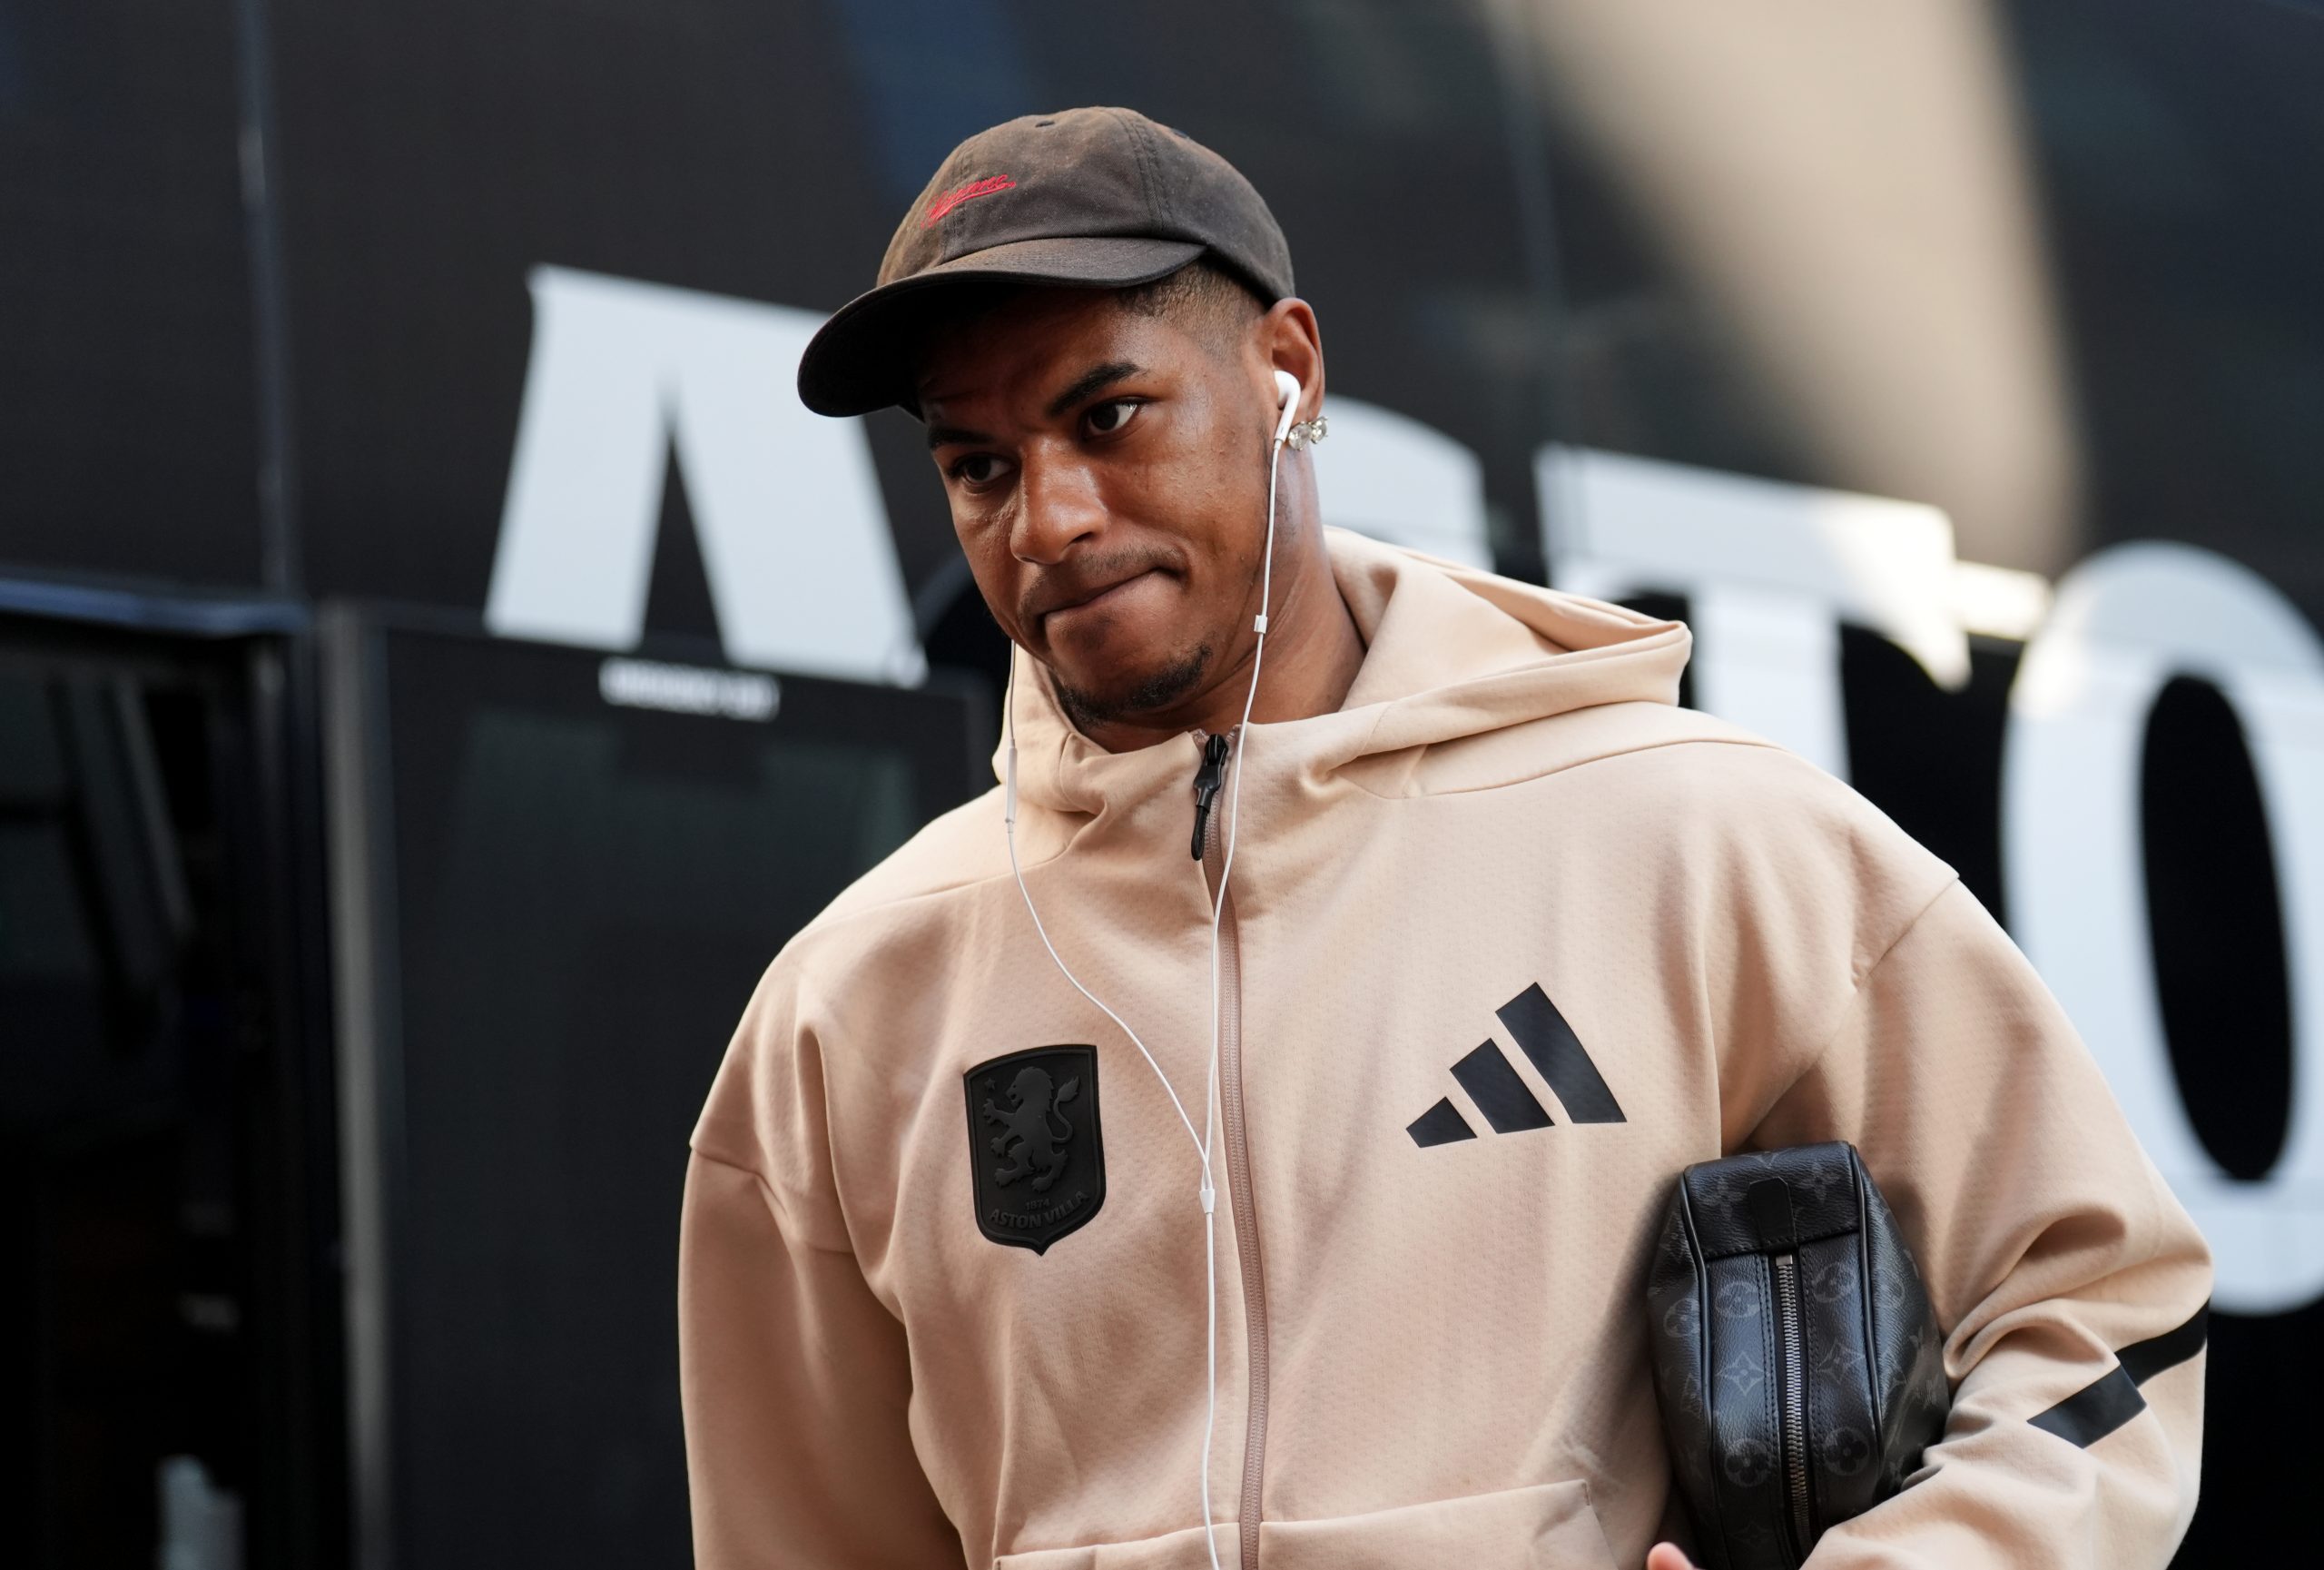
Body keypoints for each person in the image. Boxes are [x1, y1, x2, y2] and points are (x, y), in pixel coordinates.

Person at [677, 106, 2208, 1569]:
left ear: (1286, 372)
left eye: (1107, 414)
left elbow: (2104, 1308)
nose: (1049, 518)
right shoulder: (850, 1008)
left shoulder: (1692, 836)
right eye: (980, 467)